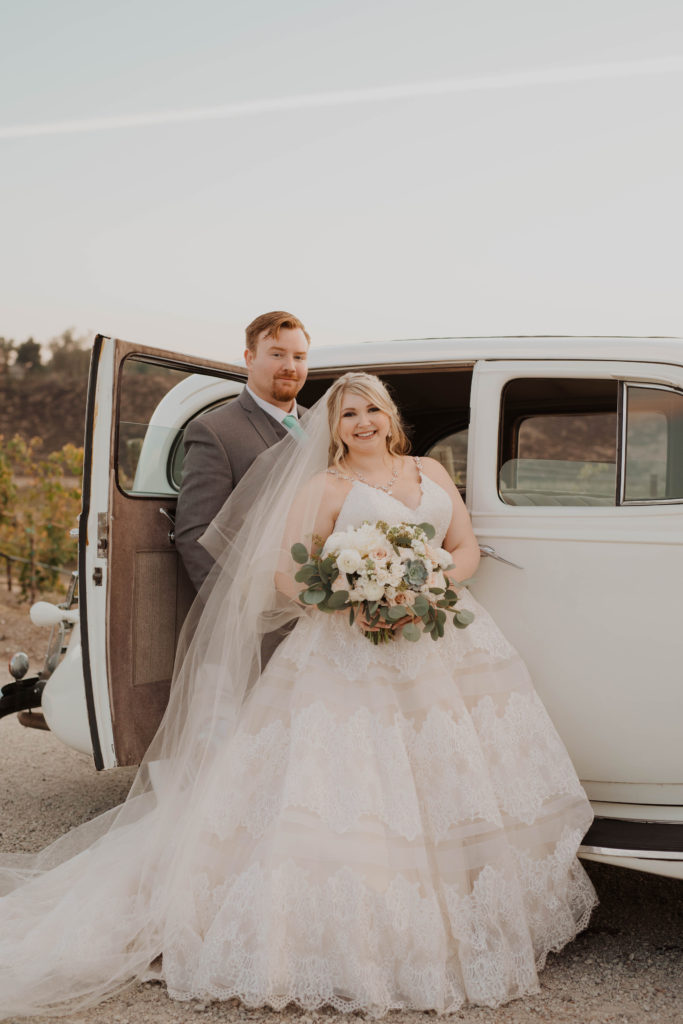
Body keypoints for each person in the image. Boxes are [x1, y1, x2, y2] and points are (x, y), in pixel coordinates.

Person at [0, 373, 597, 1019]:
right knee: (346, 786)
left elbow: (465, 547)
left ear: (389, 416)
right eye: (346, 415)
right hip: (346, 647)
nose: (361, 422)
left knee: (454, 774)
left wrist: (416, 584)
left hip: (439, 640)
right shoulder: (324, 486)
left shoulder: (429, 469)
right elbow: (286, 572)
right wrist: (358, 597)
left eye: (370, 409)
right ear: (332, 429)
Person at [175, 309, 310, 591]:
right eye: (277, 354)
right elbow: (196, 535)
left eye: (299, 357)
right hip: (258, 613)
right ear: (250, 358)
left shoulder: (324, 426)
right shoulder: (214, 431)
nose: (290, 366)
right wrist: (240, 615)